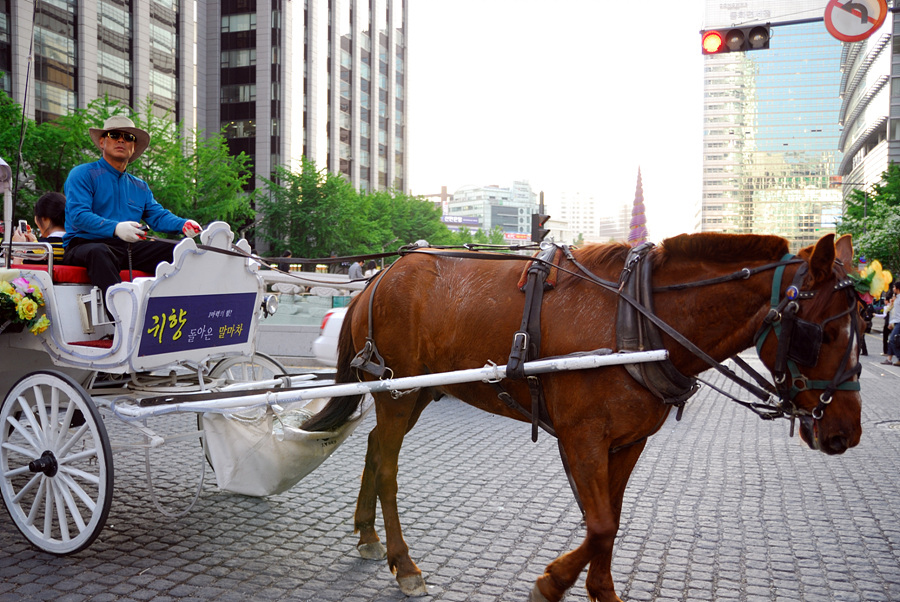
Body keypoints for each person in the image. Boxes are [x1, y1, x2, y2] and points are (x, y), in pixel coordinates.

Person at [63, 115, 201, 306]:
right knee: (100, 252)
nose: (121, 140)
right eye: (114, 135)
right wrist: (116, 228)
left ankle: (177, 311)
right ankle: (121, 319)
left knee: (179, 250)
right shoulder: (82, 174)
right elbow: (79, 216)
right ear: (102, 141)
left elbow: (158, 216)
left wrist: (183, 224)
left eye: (128, 137)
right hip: (84, 245)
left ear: (133, 146)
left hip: (127, 247)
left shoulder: (140, 186)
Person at [12, 192, 67, 262]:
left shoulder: (39, 250)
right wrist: (35, 243)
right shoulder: (76, 245)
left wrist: (19, 248)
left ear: (44, 218)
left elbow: (20, 271)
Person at [881, 282, 900, 367]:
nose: (893, 289)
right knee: (892, 340)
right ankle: (889, 359)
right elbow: (892, 312)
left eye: (894, 287)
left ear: (897, 288)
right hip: (895, 321)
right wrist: (891, 322)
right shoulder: (896, 298)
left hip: (899, 322)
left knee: (892, 340)